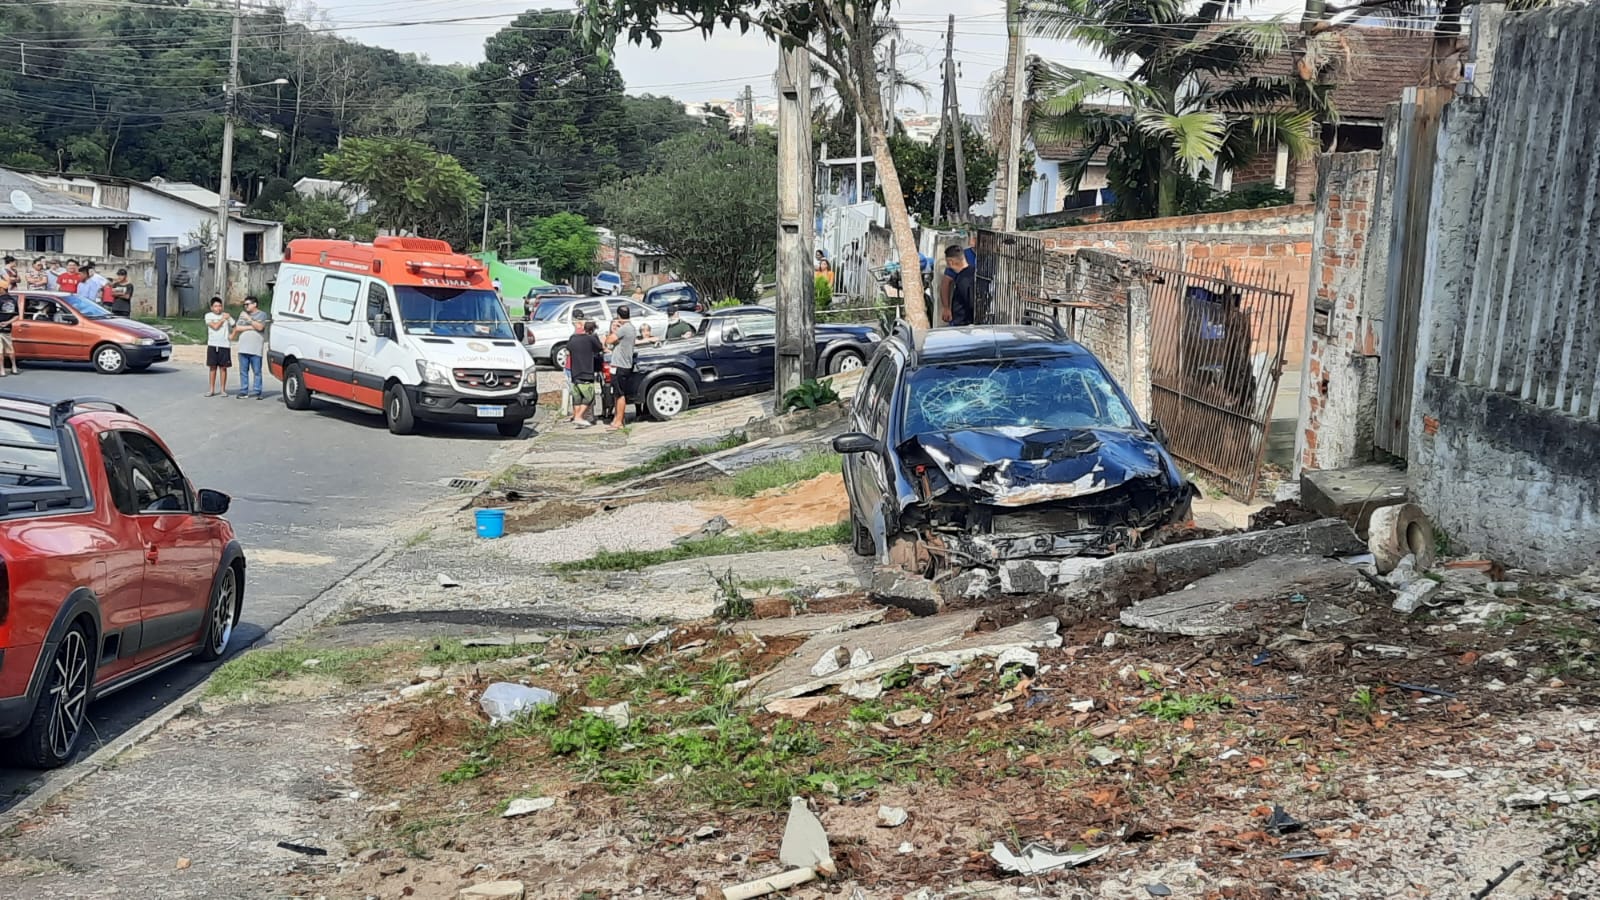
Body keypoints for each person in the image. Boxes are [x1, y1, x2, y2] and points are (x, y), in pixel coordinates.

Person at [567, 318, 606, 428]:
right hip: (586, 371)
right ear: (593, 329)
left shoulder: (573, 338)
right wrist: (602, 341)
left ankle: (578, 418)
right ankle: (579, 417)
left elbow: (568, 348)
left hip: (574, 372)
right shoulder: (591, 339)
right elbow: (599, 348)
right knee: (589, 397)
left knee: (577, 397)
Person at [603, 304, 637, 431]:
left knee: (619, 394)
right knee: (617, 394)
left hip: (620, 365)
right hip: (622, 364)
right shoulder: (631, 328)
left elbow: (609, 340)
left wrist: (610, 334)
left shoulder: (625, 328)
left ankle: (619, 421)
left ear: (618, 315)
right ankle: (617, 419)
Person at [231, 297, 269, 399]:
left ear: (255, 304)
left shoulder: (262, 314)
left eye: (247, 304)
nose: (246, 306)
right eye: (244, 305)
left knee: (257, 371)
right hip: (243, 347)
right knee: (243, 371)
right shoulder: (242, 314)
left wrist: (249, 320)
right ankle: (244, 390)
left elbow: (260, 327)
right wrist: (252, 326)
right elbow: (238, 328)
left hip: (255, 348)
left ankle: (257, 391)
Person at [203, 297, 233, 397]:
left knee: (223, 368)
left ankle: (223, 390)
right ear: (212, 307)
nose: (218, 308)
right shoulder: (208, 316)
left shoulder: (226, 315)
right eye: (216, 306)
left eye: (220, 306)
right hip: (212, 344)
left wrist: (228, 318)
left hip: (224, 345)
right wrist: (222, 319)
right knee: (212, 367)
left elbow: (234, 325)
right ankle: (211, 389)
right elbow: (215, 326)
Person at [941, 244, 976, 327]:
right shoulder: (972, 272)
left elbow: (971, 303)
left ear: (951, 262)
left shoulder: (963, 280)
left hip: (962, 324)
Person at [0, 280, 18, 377]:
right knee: (10, 349)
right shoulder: (13, 300)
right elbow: (16, 316)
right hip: (7, 328)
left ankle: (2, 370)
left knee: (0, 351)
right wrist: (7, 322)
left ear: (2, 289)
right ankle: (14, 368)